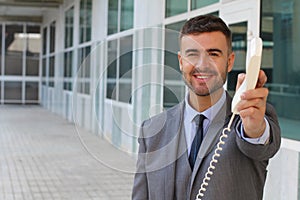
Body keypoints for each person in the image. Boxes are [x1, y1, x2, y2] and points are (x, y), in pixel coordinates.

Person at [132, 14, 281, 200]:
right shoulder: (151, 130)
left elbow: (260, 142)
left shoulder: (248, 120)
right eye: (193, 54)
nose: (202, 65)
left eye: (213, 54)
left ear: (230, 62)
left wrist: (254, 127)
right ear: (180, 61)